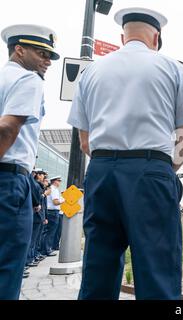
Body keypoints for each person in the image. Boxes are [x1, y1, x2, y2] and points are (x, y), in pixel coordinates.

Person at [67, 7, 183, 300]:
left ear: (122, 36)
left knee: (98, 269)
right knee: (157, 270)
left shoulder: (91, 72)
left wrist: (110, 160)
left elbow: (84, 141)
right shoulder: (171, 68)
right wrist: (166, 169)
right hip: (151, 169)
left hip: (102, 170)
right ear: (156, 37)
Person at [0, 24, 58, 299]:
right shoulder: (28, 80)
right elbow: (8, 128)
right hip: (8, 179)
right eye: (41, 53)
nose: (47, 61)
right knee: (7, 264)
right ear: (19, 50)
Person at [44, 176, 64, 257]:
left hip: (50, 212)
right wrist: (64, 200)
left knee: (48, 232)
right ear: (54, 181)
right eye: (59, 180)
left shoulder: (51, 189)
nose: (60, 182)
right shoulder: (54, 189)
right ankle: (47, 250)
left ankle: (46, 249)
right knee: (51, 232)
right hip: (53, 212)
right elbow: (55, 202)